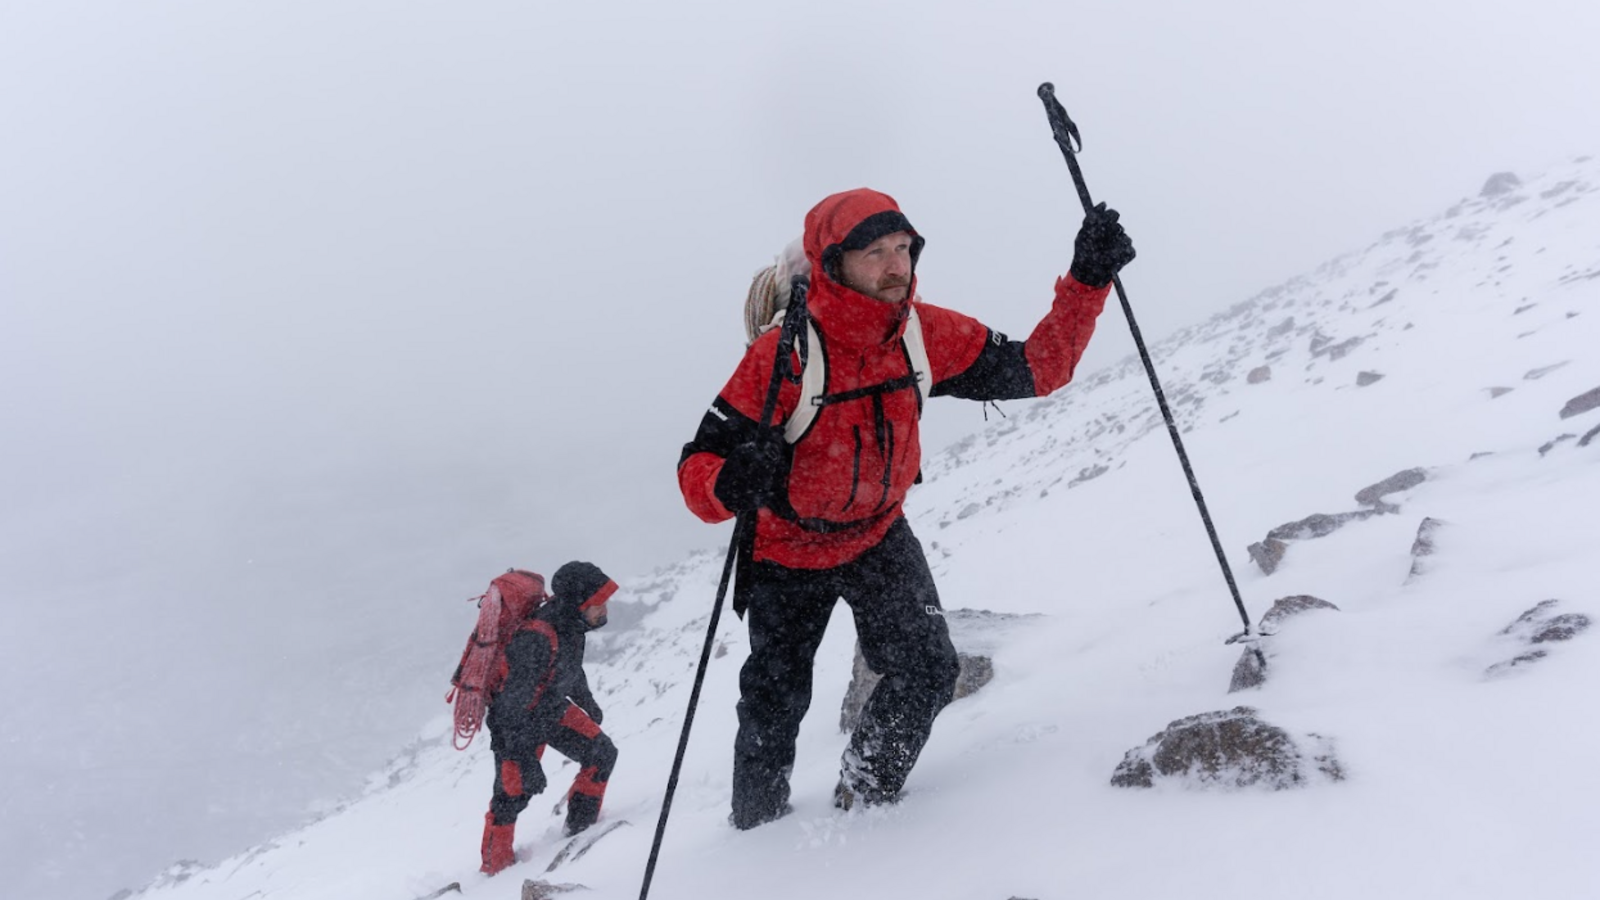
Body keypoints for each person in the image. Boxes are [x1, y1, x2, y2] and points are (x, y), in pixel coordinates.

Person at [677, 187, 1134, 829]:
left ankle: (867, 797)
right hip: (786, 552)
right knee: (773, 706)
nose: (898, 267)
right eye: (876, 253)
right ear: (833, 263)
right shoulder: (782, 358)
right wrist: (729, 484)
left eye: (904, 250)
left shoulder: (923, 334)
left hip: (877, 536)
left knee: (927, 669)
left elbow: (1039, 367)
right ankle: (755, 831)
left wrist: (1088, 281)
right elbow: (695, 466)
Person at [479, 561, 620, 875]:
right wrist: (526, 761)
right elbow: (507, 710)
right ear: (578, 604)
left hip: (550, 709)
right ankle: (493, 874)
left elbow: (569, 667)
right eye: (597, 604)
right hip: (515, 725)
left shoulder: (572, 624)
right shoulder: (536, 638)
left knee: (602, 754)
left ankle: (580, 833)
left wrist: (587, 701)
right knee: (511, 798)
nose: (604, 610)